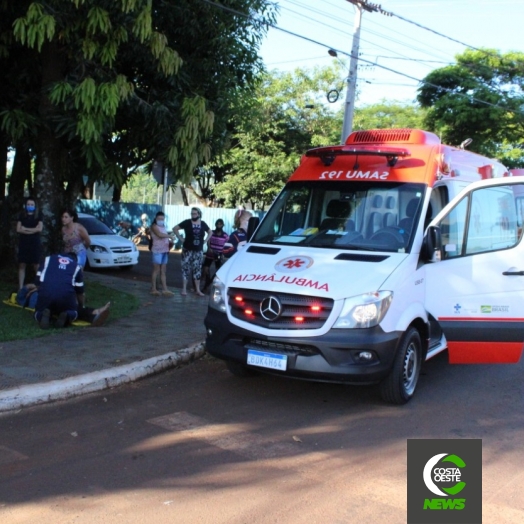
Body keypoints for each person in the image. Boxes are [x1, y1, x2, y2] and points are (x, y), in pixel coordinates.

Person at [33, 252, 93, 329]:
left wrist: (42, 293)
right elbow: (80, 293)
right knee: (74, 311)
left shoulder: (48, 259)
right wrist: (81, 306)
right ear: (75, 259)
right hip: (65, 296)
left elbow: (37, 283)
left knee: (38, 310)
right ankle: (68, 314)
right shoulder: (76, 267)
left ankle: (41, 315)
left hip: (46, 293)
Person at [18, 283, 110, 327]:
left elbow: (29, 287)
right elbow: (29, 286)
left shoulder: (26, 298)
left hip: (45, 302)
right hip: (45, 300)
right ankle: (94, 314)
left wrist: (35, 289)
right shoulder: (22, 298)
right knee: (74, 308)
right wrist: (35, 288)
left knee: (59, 308)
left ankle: (58, 316)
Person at [172, 207, 210, 296]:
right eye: (192, 214)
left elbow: (210, 232)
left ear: (199, 214)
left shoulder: (203, 223)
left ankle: (197, 289)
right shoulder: (187, 222)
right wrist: (180, 238)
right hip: (187, 250)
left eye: (195, 214)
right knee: (186, 268)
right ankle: (184, 289)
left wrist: (205, 241)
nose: (193, 215)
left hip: (198, 250)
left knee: (197, 269)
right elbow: (175, 228)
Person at [16, 197, 43, 290]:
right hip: (24, 242)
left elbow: (39, 229)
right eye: (28, 204)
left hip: (34, 242)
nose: (30, 206)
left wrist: (26, 229)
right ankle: (20, 287)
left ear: (35, 206)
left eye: (32, 205)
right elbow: (18, 229)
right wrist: (33, 230)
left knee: (36, 264)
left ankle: (39, 286)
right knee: (22, 264)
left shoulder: (38, 215)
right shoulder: (22, 215)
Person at [149, 211, 175, 297]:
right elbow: (159, 235)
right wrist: (169, 236)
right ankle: (153, 288)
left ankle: (165, 289)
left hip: (164, 250)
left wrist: (170, 240)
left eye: (162, 219)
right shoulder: (154, 226)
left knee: (163, 271)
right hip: (157, 250)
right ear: (156, 219)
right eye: (159, 219)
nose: (161, 220)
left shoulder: (163, 226)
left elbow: (163, 235)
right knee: (156, 270)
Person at [202, 219, 229, 291]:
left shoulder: (225, 236)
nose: (219, 226)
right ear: (215, 225)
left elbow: (226, 245)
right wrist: (209, 248)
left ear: (223, 225)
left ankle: (212, 285)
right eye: (218, 224)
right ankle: (206, 284)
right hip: (210, 254)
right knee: (205, 269)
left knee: (218, 271)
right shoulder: (211, 233)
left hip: (219, 255)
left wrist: (223, 253)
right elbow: (208, 241)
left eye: (220, 224)